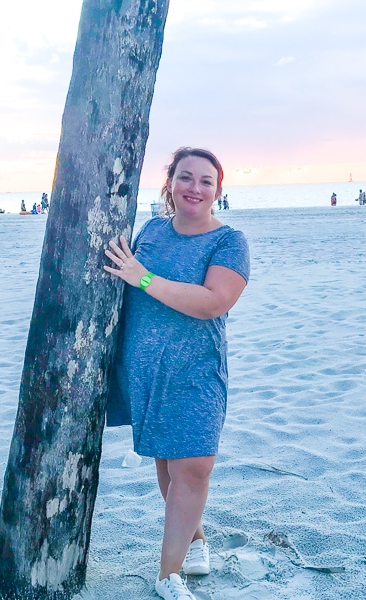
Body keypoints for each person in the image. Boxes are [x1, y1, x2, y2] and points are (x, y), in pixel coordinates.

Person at [105, 147, 250, 600]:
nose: (195, 187)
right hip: (146, 367)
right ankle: (197, 539)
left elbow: (213, 302)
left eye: (206, 181)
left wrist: (143, 277)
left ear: (218, 191)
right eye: (185, 177)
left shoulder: (229, 242)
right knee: (168, 462)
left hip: (197, 370)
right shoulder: (150, 231)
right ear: (169, 184)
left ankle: (168, 575)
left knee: (195, 466)